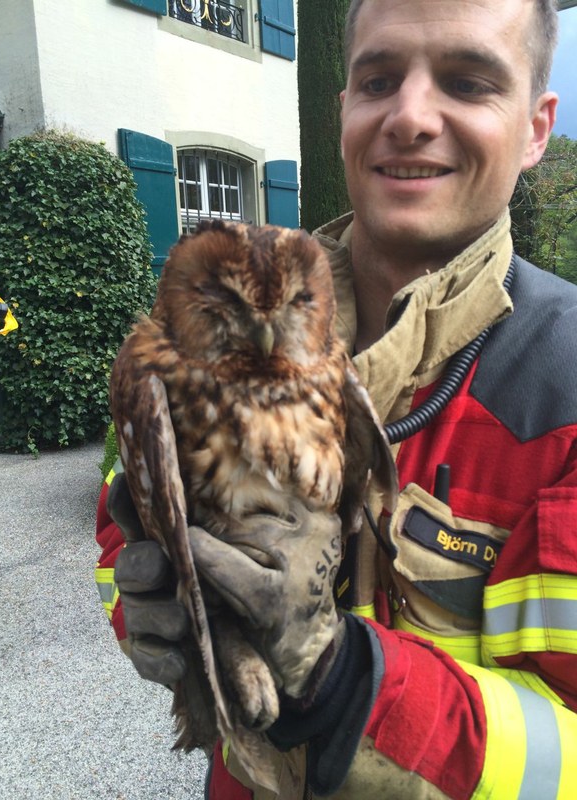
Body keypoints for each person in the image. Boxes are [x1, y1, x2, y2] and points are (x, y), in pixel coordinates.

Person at [95, 0, 577, 797]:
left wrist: (348, 680)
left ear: (536, 127)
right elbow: (131, 537)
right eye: (379, 79)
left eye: (466, 81)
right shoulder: (200, 329)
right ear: (344, 110)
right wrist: (171, 614)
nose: (412, 116)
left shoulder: (563, 389)